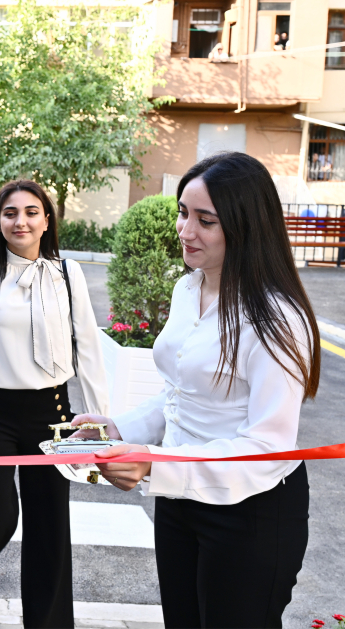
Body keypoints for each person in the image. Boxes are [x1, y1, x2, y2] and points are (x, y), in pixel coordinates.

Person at [72, 152, 320, 628]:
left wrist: (154, 462)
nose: (185, 231)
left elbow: (265, 447)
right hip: (180, 502)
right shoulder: (188, 289)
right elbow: (179, 396)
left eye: (205, 220)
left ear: (246, 226)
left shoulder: (276, 317)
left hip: (250, 510)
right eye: (183, 213)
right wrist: (120, 426)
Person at [0, 180, 109, 629]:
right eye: (10, 213)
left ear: (47, 220)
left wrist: (102, 424)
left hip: (52, 416)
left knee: (50, 530)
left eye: (31, 212)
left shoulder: (68, 273)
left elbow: (89, 349)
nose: (21, 221)